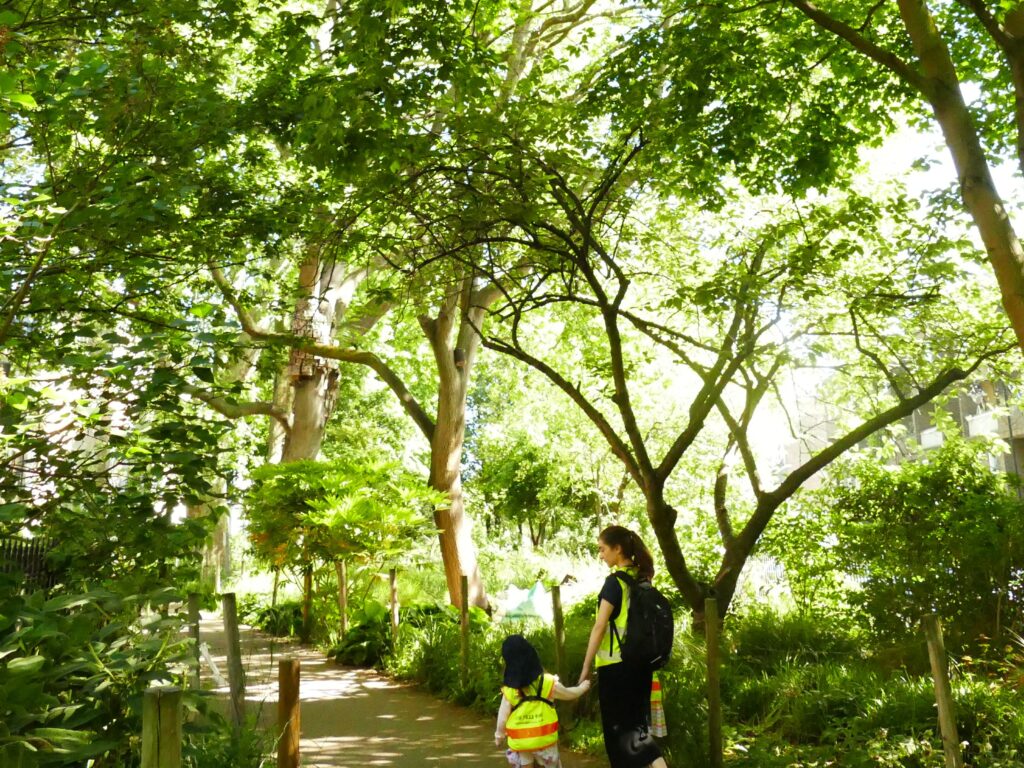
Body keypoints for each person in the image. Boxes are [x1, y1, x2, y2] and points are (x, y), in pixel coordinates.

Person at [578, 525, 669, 768]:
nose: (601, 555)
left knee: (619, 737)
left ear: (617, 549)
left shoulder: (614, 583)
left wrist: (586, 666)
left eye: (603, 549)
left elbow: (599, 627)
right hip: (641, 666)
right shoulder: (643, 579)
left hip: (615, 667)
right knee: (638, 732)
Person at [495, 634, 591, 767]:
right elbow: (569, 694)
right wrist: (582, 688)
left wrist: (499, 735)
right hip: (544, 741)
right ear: (532, 656)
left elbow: (502, 717)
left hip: (522, 741)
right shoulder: (548, 682)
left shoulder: (510, 690)